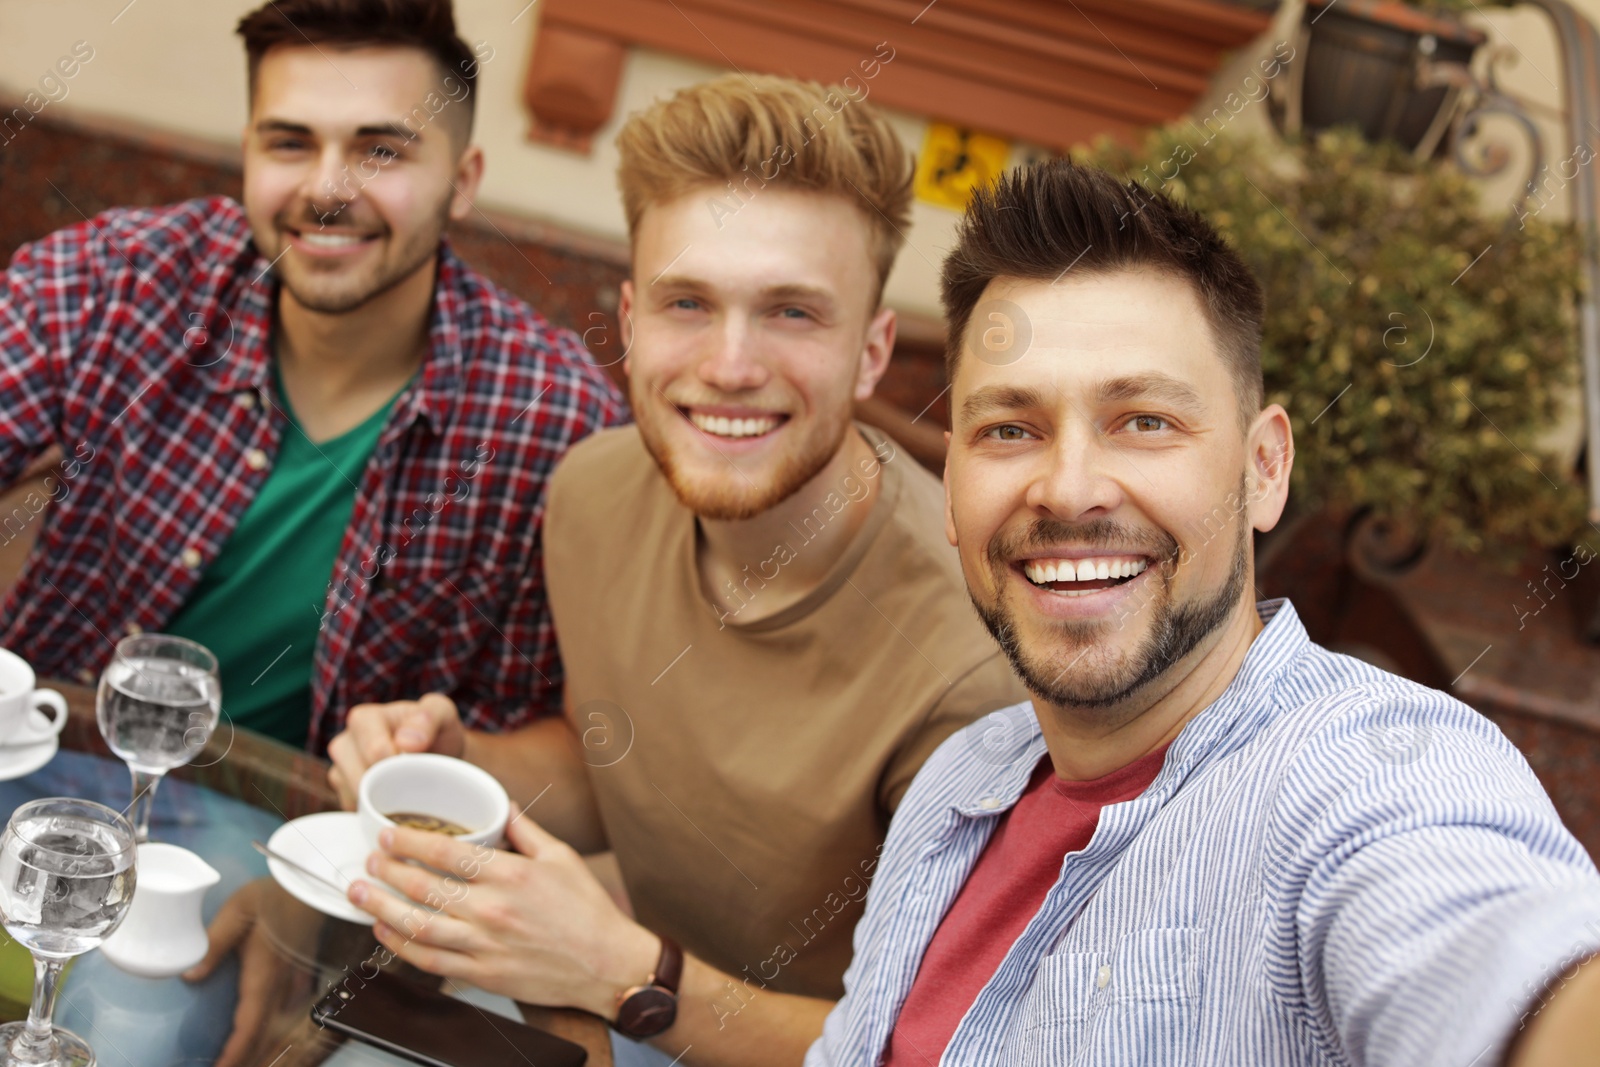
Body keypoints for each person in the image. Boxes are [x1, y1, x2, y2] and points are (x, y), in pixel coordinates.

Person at [804, 159, 1600, 1066]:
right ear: (951, 485)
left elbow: (1508, 966)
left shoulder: (1371, 772)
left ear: (1264, 468)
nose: (1068, 489)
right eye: (1010, 430)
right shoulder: (960, 782)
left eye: (1143, 420)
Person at [325, 74, 1027, 1066]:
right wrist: (463, 762)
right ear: (630, 317)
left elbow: (930, 1045)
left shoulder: (977, 668)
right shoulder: (591, 492)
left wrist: (627, 971)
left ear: (871, 352)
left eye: (791, 312)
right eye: (686, 302)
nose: (730, 363)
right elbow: (607, 753)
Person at [0, 0, 625, 753]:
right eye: (290, 144)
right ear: (249, 153)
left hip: (316, 853)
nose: (328, 190)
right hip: (44, 772)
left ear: (462, 182)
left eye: (382, 151)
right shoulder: (120, 280)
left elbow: (578, 737)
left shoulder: (554, 419)